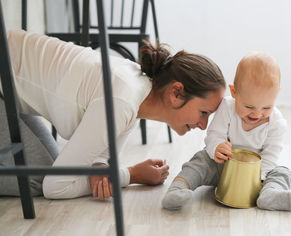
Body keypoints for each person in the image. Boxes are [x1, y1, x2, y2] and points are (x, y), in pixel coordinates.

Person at [0, 29, 226, 200]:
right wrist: (131, 175)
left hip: (10, 90)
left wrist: (100, 167)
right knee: (36, 180)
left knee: (46, 168)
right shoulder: (123, 100)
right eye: (203, 112)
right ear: (176, 92)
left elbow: (101, 157)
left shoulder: (137, 94)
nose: (203, 125)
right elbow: (55, 186)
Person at [162, 51, 291, 211]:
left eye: (267, 107)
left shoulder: (277, 123)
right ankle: (178, 189)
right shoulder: (227, 107)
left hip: (255, 174)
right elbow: (214, 134)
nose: (257, 114)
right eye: (249, 107)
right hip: (221, 165)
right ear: (234, 93)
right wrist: (217, 148)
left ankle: (269, 194)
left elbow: (271, 154)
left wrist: (258, 180)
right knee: (199, 162)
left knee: (283, 173)